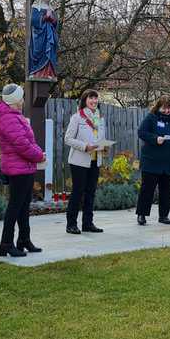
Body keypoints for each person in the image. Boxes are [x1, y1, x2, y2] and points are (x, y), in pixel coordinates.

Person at [0, 84, 45, 257]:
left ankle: (23, 240)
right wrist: (39, 156)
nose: (23, 101)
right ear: (15, 101)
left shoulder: (14, 116)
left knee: (23, 206)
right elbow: (21, 144)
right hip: (18, 169)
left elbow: (28, 141)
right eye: (21, 98)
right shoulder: (8, 118)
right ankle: (6, 243)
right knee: (15, 207)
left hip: (24, 167)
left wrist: (38, 153)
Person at [136, 95, 170, 226]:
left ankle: (163, 216)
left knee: (166, 190)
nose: (167, 111)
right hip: (151, 161)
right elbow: (141, 132)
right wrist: (155, 139)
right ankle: (142, 215)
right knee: (147, 189)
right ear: (158, 107)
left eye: (169, 108)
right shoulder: (151, 118)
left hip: (169, 162)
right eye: (164, 108)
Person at [64, 89, 105, 235]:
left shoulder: (100, 118)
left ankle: (88, 223)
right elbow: (68, 139)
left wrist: (103, 146)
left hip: (95, 160)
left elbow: (99, 138)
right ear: (85, 100)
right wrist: (84, 146)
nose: (94, 101)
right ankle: (71, 224)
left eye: (96, 98)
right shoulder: (77, 118)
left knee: (91, 193)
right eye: (91, 98)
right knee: (77, 192)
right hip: (79, 161)